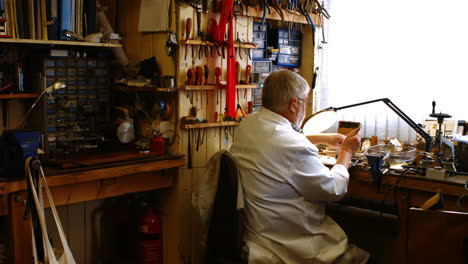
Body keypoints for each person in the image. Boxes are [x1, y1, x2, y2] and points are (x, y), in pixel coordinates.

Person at [230, 70, 370, 264]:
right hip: (291, 246)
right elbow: (335, 189)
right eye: (305, 101)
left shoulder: (249, 123)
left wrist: (322, 138)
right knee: (362, 257)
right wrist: (346, 151)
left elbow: (276, 139)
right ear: (294, 104)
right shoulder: (293, 146)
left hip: (258, 237)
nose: (306, 107)